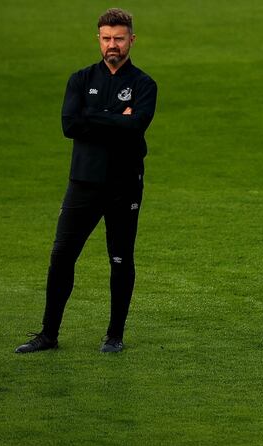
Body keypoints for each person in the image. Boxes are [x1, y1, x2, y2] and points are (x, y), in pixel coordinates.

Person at [16, 8, 157, 353]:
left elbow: (136, 125)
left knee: (120, 258)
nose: (113, 45)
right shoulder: (80, 79)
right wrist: (113, 118)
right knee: (62, 256)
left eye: (119, 39)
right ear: (98, 39)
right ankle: (48, 335)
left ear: (132, 40)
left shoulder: (143, 84)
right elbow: (69, 126)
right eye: (107, 38)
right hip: (84, 182)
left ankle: (114, 336)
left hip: (124, 185)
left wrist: (93, 117)